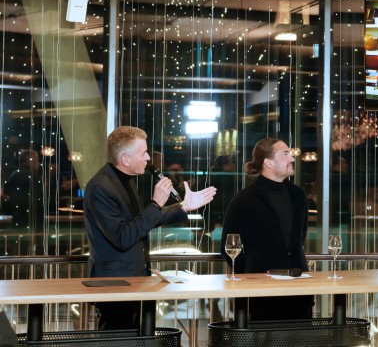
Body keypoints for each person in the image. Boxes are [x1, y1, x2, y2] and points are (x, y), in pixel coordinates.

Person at [83, 126, 216, 330]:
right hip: (115, 283)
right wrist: (155, 203)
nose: (148, 159)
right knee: (118, 340)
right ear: (126, 160)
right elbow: (122, 237)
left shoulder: (124, 180)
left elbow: (143, 222)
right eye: (143, 153)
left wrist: (183, 207)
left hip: (135, 278)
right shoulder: (101, 187)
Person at [220, 138, 314, 321]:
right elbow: (228, 247)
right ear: (268, 163)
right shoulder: (244, 200)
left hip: (300, 291)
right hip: (261, 297)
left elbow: (299, 238)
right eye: (286, 154)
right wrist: (251, 276)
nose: (292, 158)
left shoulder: (299, 195)